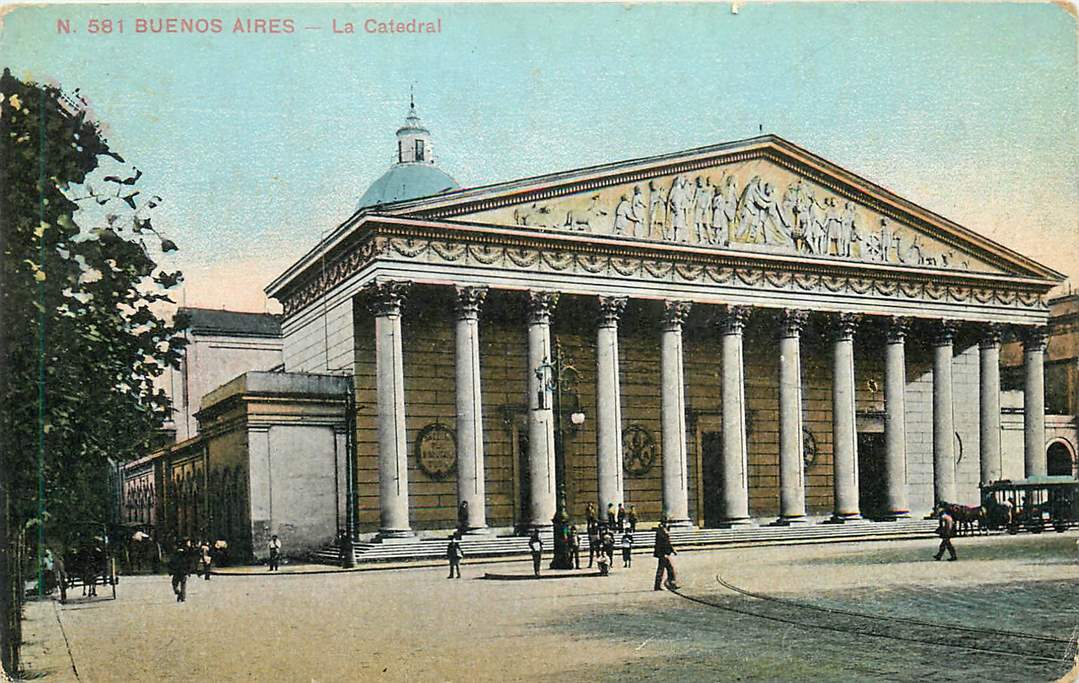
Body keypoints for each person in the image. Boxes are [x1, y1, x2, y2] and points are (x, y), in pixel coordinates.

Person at [653, 520, 679, 591]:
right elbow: (660, 545)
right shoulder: (660, 533)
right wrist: (663, 553)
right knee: (661, 570)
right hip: (663, 554)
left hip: (665, 554)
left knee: (670, 569)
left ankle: (671, 584)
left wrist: (673, 550)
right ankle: (658, 586)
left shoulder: (664, 531)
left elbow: (668, 543)